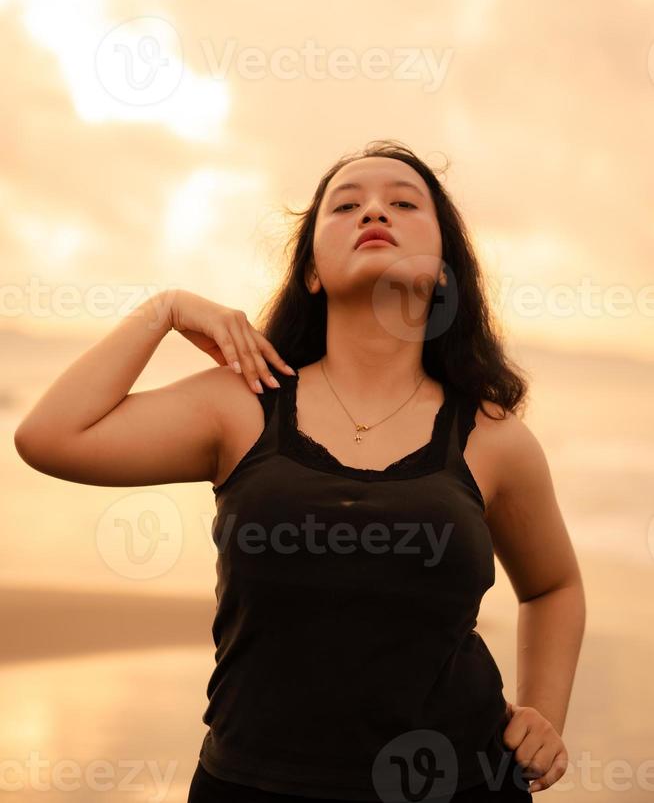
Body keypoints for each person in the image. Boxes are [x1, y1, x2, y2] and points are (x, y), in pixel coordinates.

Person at [14, 140, 585, 803]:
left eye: (403, 203)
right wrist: (165, 310)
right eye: (346, 205)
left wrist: (544, 712)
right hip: (252, 786)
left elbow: (553, 585)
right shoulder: (239, 406)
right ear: (312, 271)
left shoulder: (493, 437)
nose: (375, 210)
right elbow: (49, 436)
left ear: (442, 272)